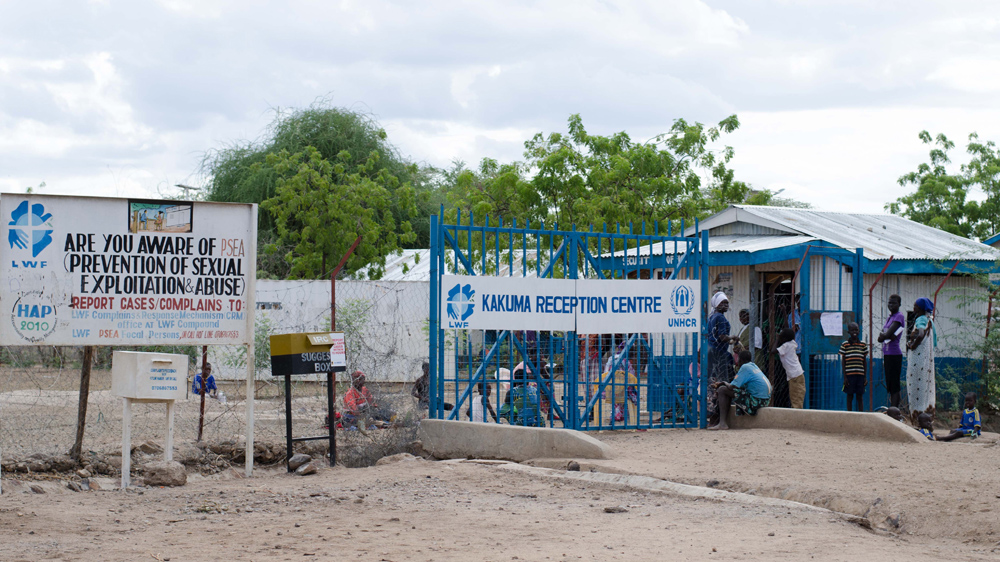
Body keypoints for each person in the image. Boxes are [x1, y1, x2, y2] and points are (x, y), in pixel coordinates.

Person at [708, 350, 771, 430]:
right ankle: (721, 422)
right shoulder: (753, 366)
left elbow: (732, 387)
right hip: (765, 400)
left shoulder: (745, 367)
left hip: (756, 401)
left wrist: (723, 383)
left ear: (740, 360)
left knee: (722, 390)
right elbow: (739, 387)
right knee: (726, 390)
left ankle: (722, 423)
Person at [707, 292, 739, 426]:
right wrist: (733, 338)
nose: (726, 305)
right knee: (721, 385)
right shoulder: (720, 318)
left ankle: (711, 417)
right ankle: (720, 419)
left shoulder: (712, 317)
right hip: (720, 354)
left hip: (711, 353)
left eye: (726, 302)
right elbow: (721, 337)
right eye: (722, 303)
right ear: (716, 304)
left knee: (711, 383)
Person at [906, 297, 937, 423]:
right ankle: (927, 417)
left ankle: (918, 417)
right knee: (925, 387)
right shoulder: (929, 319)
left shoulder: (921, 319)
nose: (913, 308)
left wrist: (913, 345)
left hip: (918, 361)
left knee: (916, 388)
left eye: (915, 306)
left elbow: (920, 334)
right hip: (926, 360)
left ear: (920, 308)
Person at [877, 294, 905, 408]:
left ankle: (894, 411)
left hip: (894, 354)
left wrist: (884, 335)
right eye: (889, 303)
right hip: (887, 354)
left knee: (894, 385)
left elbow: (886, 334)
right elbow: (881, 337)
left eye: (894, 303)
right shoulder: (890, 317)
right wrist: (884, 336)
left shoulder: (899, 316)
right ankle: (893, 409)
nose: (891, 305)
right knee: (890, 384)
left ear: (899, 304)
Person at [840, 322, 867, 412]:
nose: (854, 332)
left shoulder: (863, 345)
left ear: (859, 331)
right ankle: (849, 414)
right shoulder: (845, 345)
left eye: (856, 330)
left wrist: (865, 377)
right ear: (848, 332)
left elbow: (864, 361)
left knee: (860, 396)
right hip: (849, 375)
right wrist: (845, 377)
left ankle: (861, 414)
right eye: (852, 330)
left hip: (860, 375)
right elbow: (843, 361)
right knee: (850, 395)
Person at [776, 328, 805, 408]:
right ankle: (796, 414)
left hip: (794, 375)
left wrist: (777, 339)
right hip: (797, 374)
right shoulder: (792, 343)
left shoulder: (785, 346)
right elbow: (787, 330)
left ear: (784, 339)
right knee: (797, 396)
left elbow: (772, 351)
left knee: (796, 398)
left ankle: (796, 417)